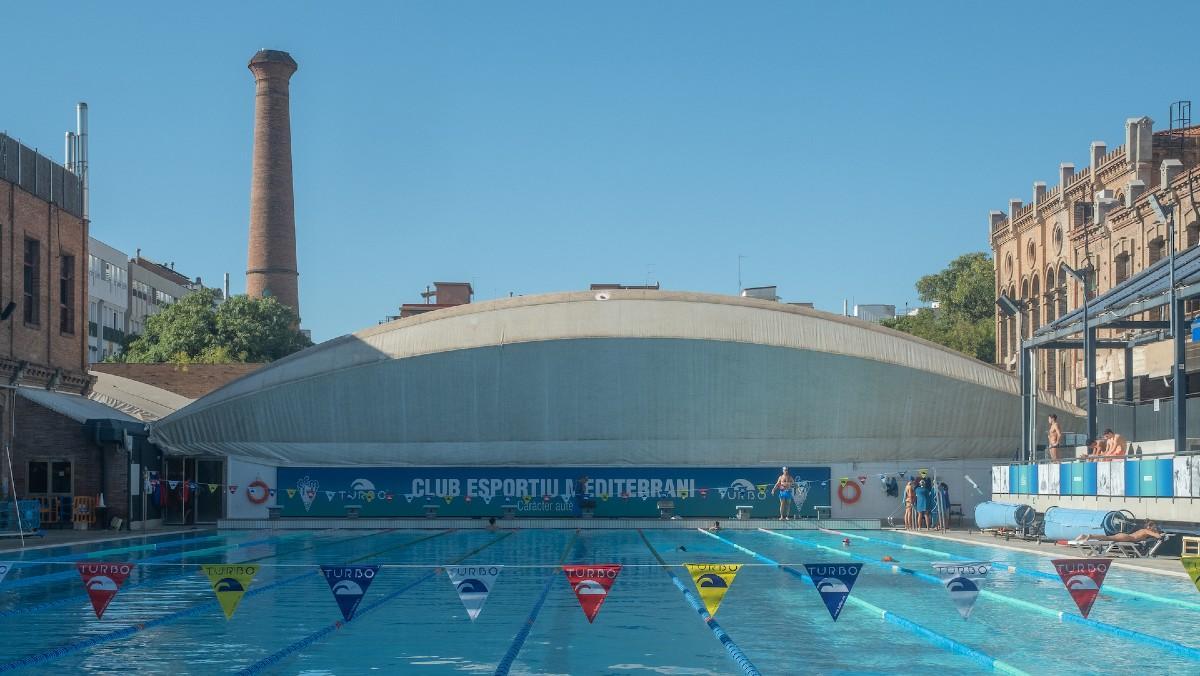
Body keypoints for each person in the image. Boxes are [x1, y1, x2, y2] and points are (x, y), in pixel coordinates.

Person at [1078, 522, 1163, 543]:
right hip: (1127, 537)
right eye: (1154, 527)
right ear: (1151, 527)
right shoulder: (1147, 531)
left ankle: (1087, 536)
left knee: (1107, 538)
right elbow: (1157, 536)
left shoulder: (1143, 530)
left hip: (1125, 536)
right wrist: (1160, 534)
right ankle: (1091, 536)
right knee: (1107, 538)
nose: (1155, 529)